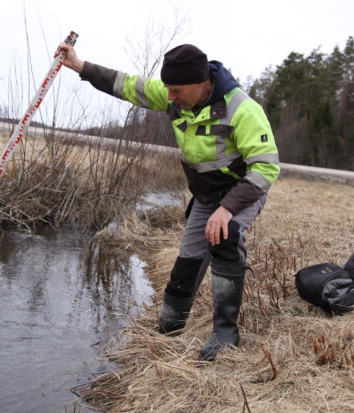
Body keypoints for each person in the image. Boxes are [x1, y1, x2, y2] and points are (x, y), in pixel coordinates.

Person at [55, 42, 280, 361]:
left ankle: (225, 334)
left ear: (201, 83)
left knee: (225, 236)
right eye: (168, 89)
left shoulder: (242, 109)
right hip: (205, 195)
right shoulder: (176, 93)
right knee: (188, 256)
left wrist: (227, 209)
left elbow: (266, 167)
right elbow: (128, 86)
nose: (169, 96)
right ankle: (170, 326)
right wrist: (80, 66)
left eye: (175, 90)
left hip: (241, 191)